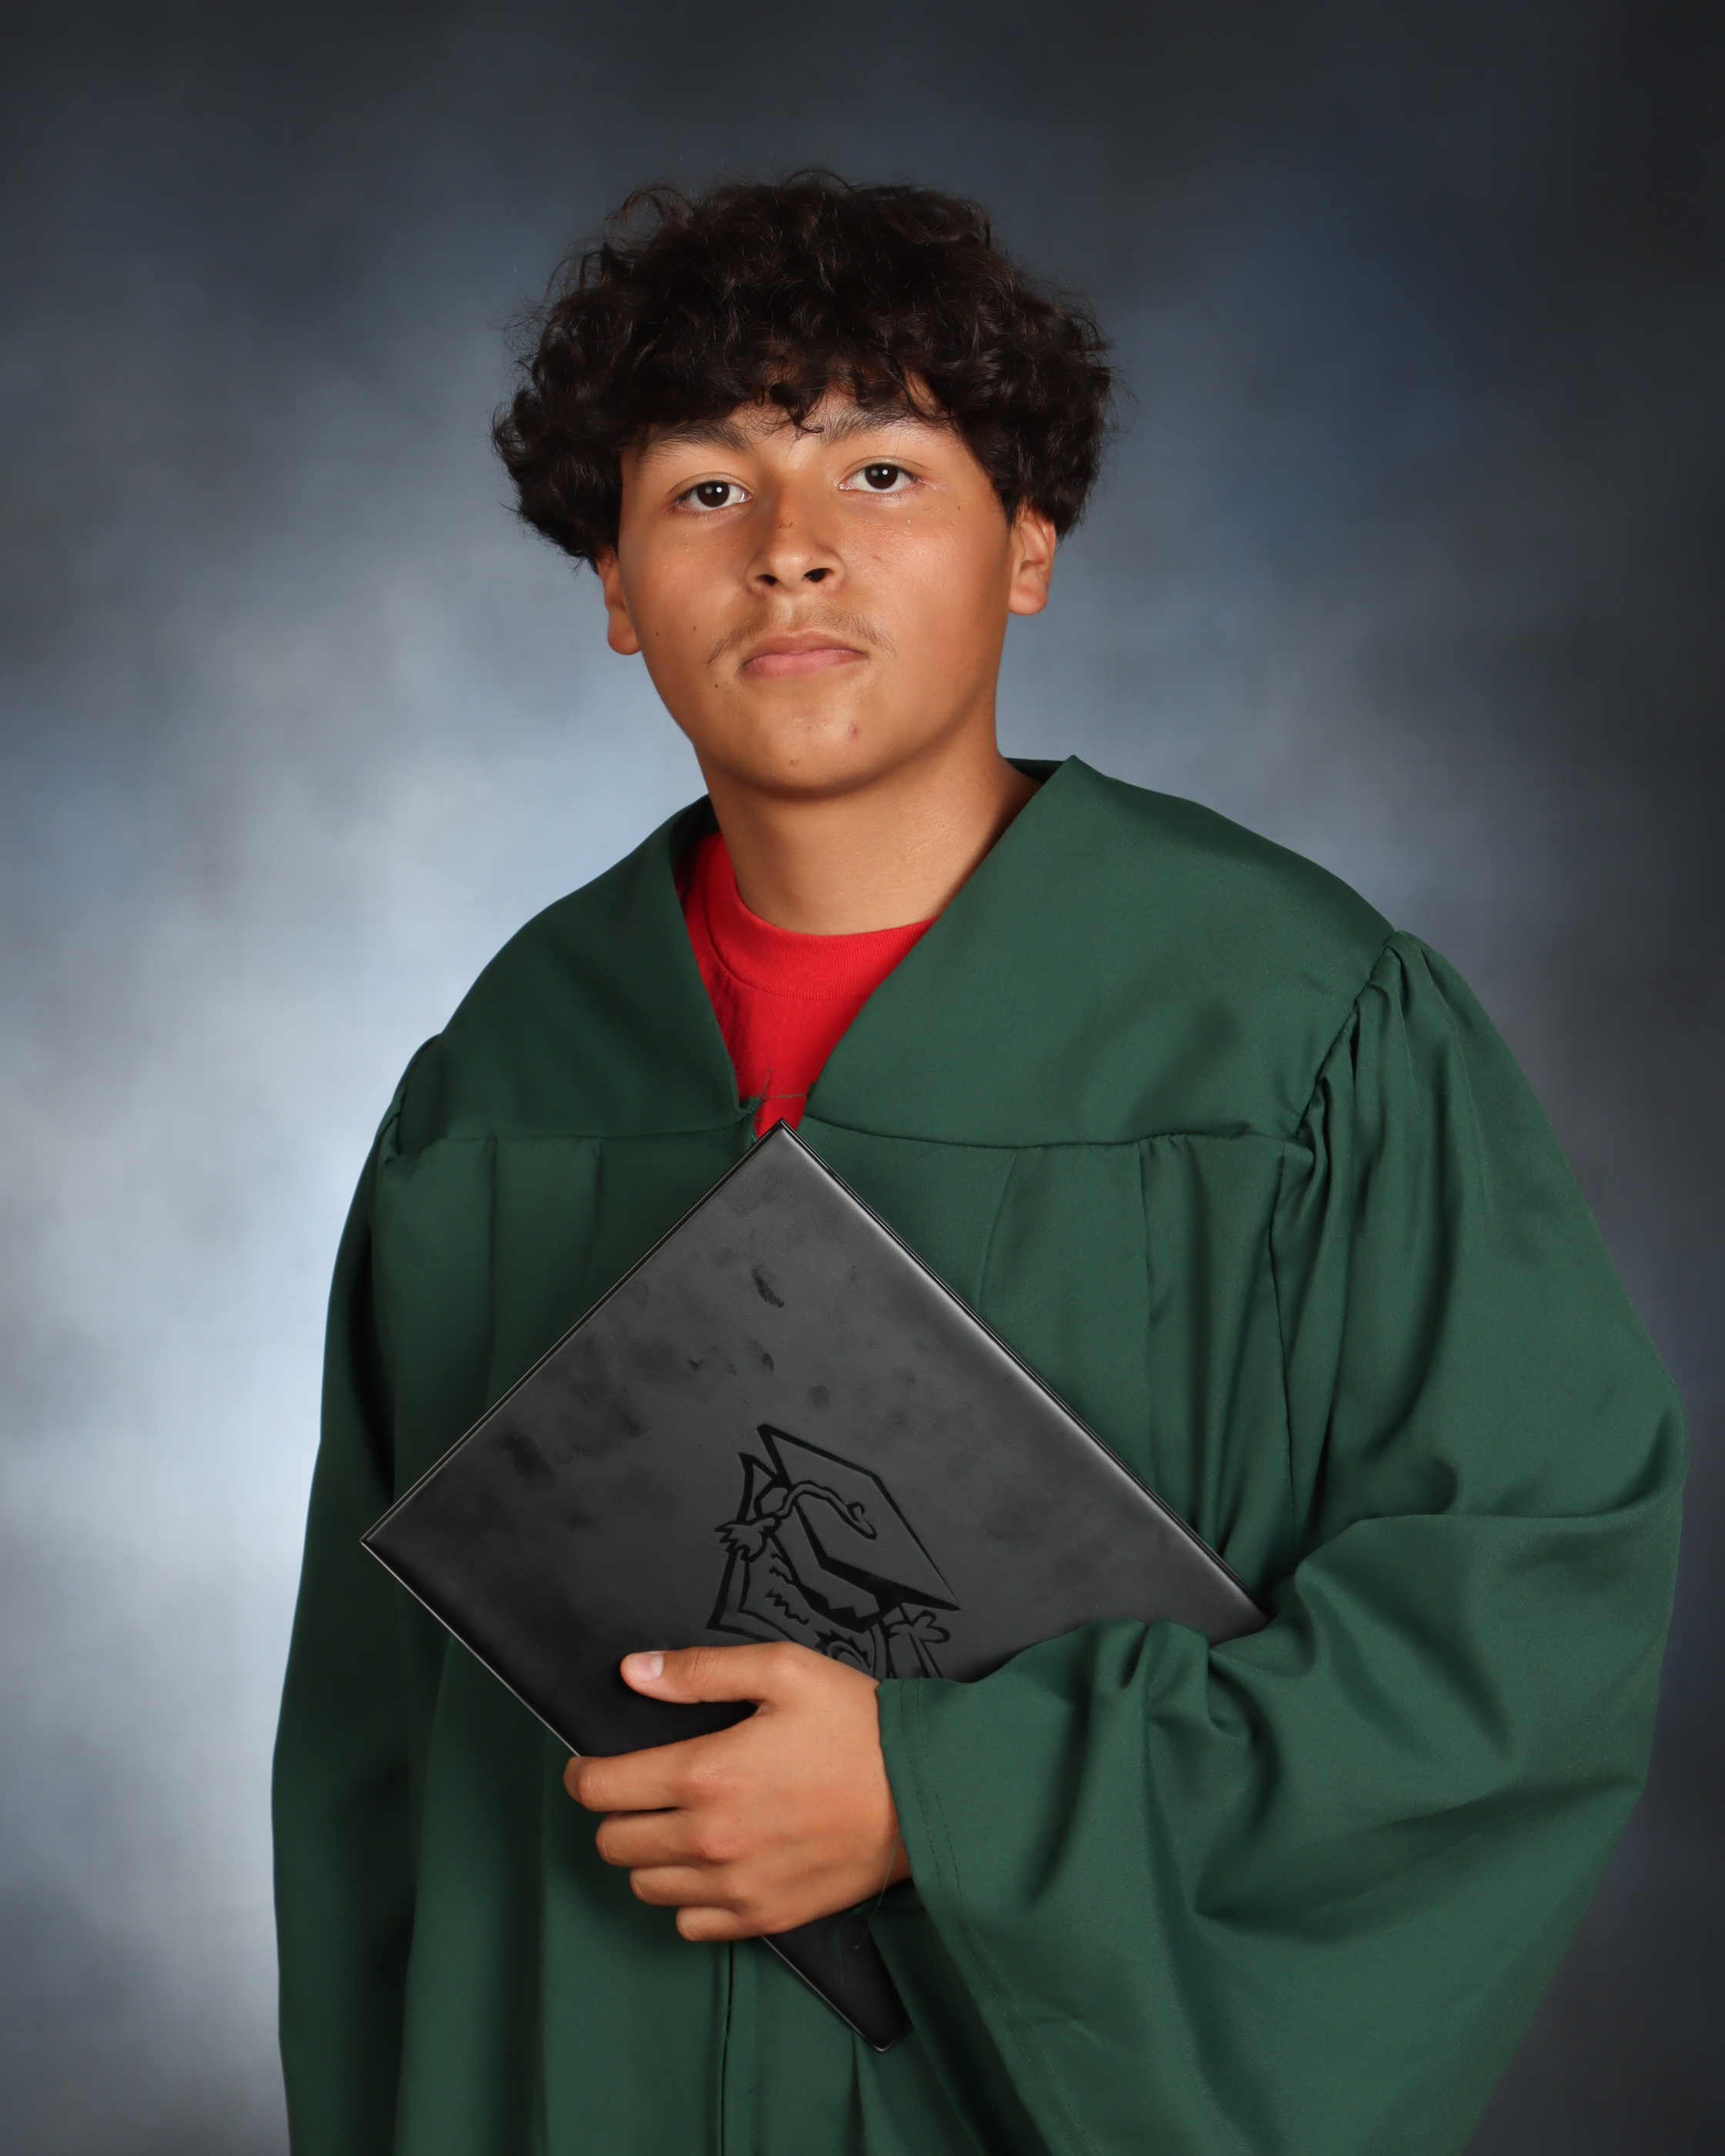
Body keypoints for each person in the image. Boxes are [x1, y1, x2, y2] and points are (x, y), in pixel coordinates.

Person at [272, 176, 1684, 2156]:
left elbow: (1510, 1632)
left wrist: (946, 1789)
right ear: (610, 581)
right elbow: (370, 1764)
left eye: (881, 471)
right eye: (704, 489)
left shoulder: (1290, 1028)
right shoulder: (499, 1085)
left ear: (1028, 543)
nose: (789, 550)